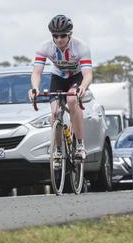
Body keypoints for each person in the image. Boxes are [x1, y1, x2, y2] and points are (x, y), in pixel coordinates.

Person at [28, 14, 93, 160]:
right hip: (58, 77)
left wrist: (83, 86)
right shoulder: (45, 47)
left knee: (71, 100)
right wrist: (34, 88)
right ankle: (57, 150)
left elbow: (88, 74)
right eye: (55, 36)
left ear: (70, 34)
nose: (59, 39)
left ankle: (80, 145)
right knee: (55, 113)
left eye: (63, 35)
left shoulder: (81, 47)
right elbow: (36, 73)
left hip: (76, 77)